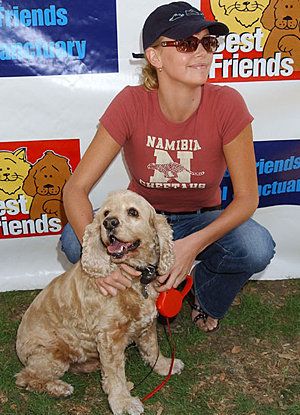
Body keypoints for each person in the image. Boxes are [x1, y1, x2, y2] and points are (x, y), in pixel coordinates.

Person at [61, 1, 275, 332]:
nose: (203, 53)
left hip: (200, 218)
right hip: (142, 219)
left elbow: (247, 198)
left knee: (256, 246)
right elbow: (75, 189)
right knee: (76, 242)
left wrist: (193, 245)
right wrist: (99, 259)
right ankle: (129, 294)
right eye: (188, 44)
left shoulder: (227, 104)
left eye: (208, 42)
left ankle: (204, 293)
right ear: (155, 57)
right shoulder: (131, 103)